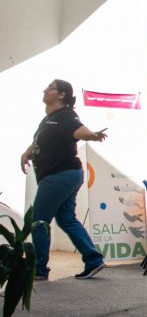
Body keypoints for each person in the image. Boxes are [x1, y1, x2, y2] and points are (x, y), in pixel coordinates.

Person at [21, 79, 107, 280]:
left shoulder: (65, 114)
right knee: (66, 219)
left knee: (39, 222)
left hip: (58, 176)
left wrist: (93, 135)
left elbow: (79, 130)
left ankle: (39, 270)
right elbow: (38, 143)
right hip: (66, 175)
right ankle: (93, 260)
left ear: (61, 95)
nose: (44, 90)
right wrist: (26, 153)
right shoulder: (48, 120)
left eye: (50, 88)